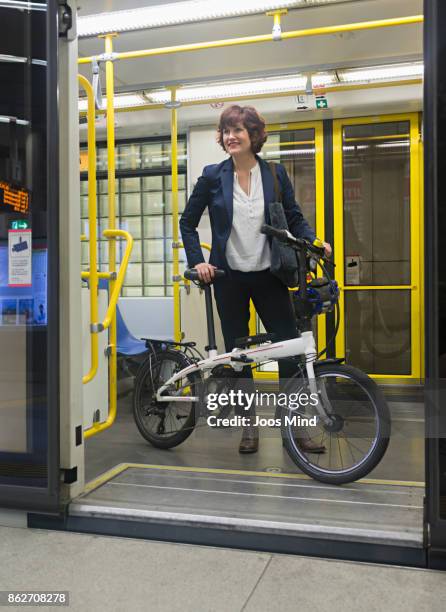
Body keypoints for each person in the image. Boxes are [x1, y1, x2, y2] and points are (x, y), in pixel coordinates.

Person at [180, 105, 332, 454]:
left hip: (269, 275)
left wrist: (314, 242)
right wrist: (198, 262)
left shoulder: (275, 175)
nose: (230, 137)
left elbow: (294, 218)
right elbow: (187, 222)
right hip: (228, 278)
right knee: (238, 356)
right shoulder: (212, 176)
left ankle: (296, 430)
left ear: (254, 136)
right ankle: (249, 428)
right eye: (226, 131)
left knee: (289, 352)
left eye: (237, 130)